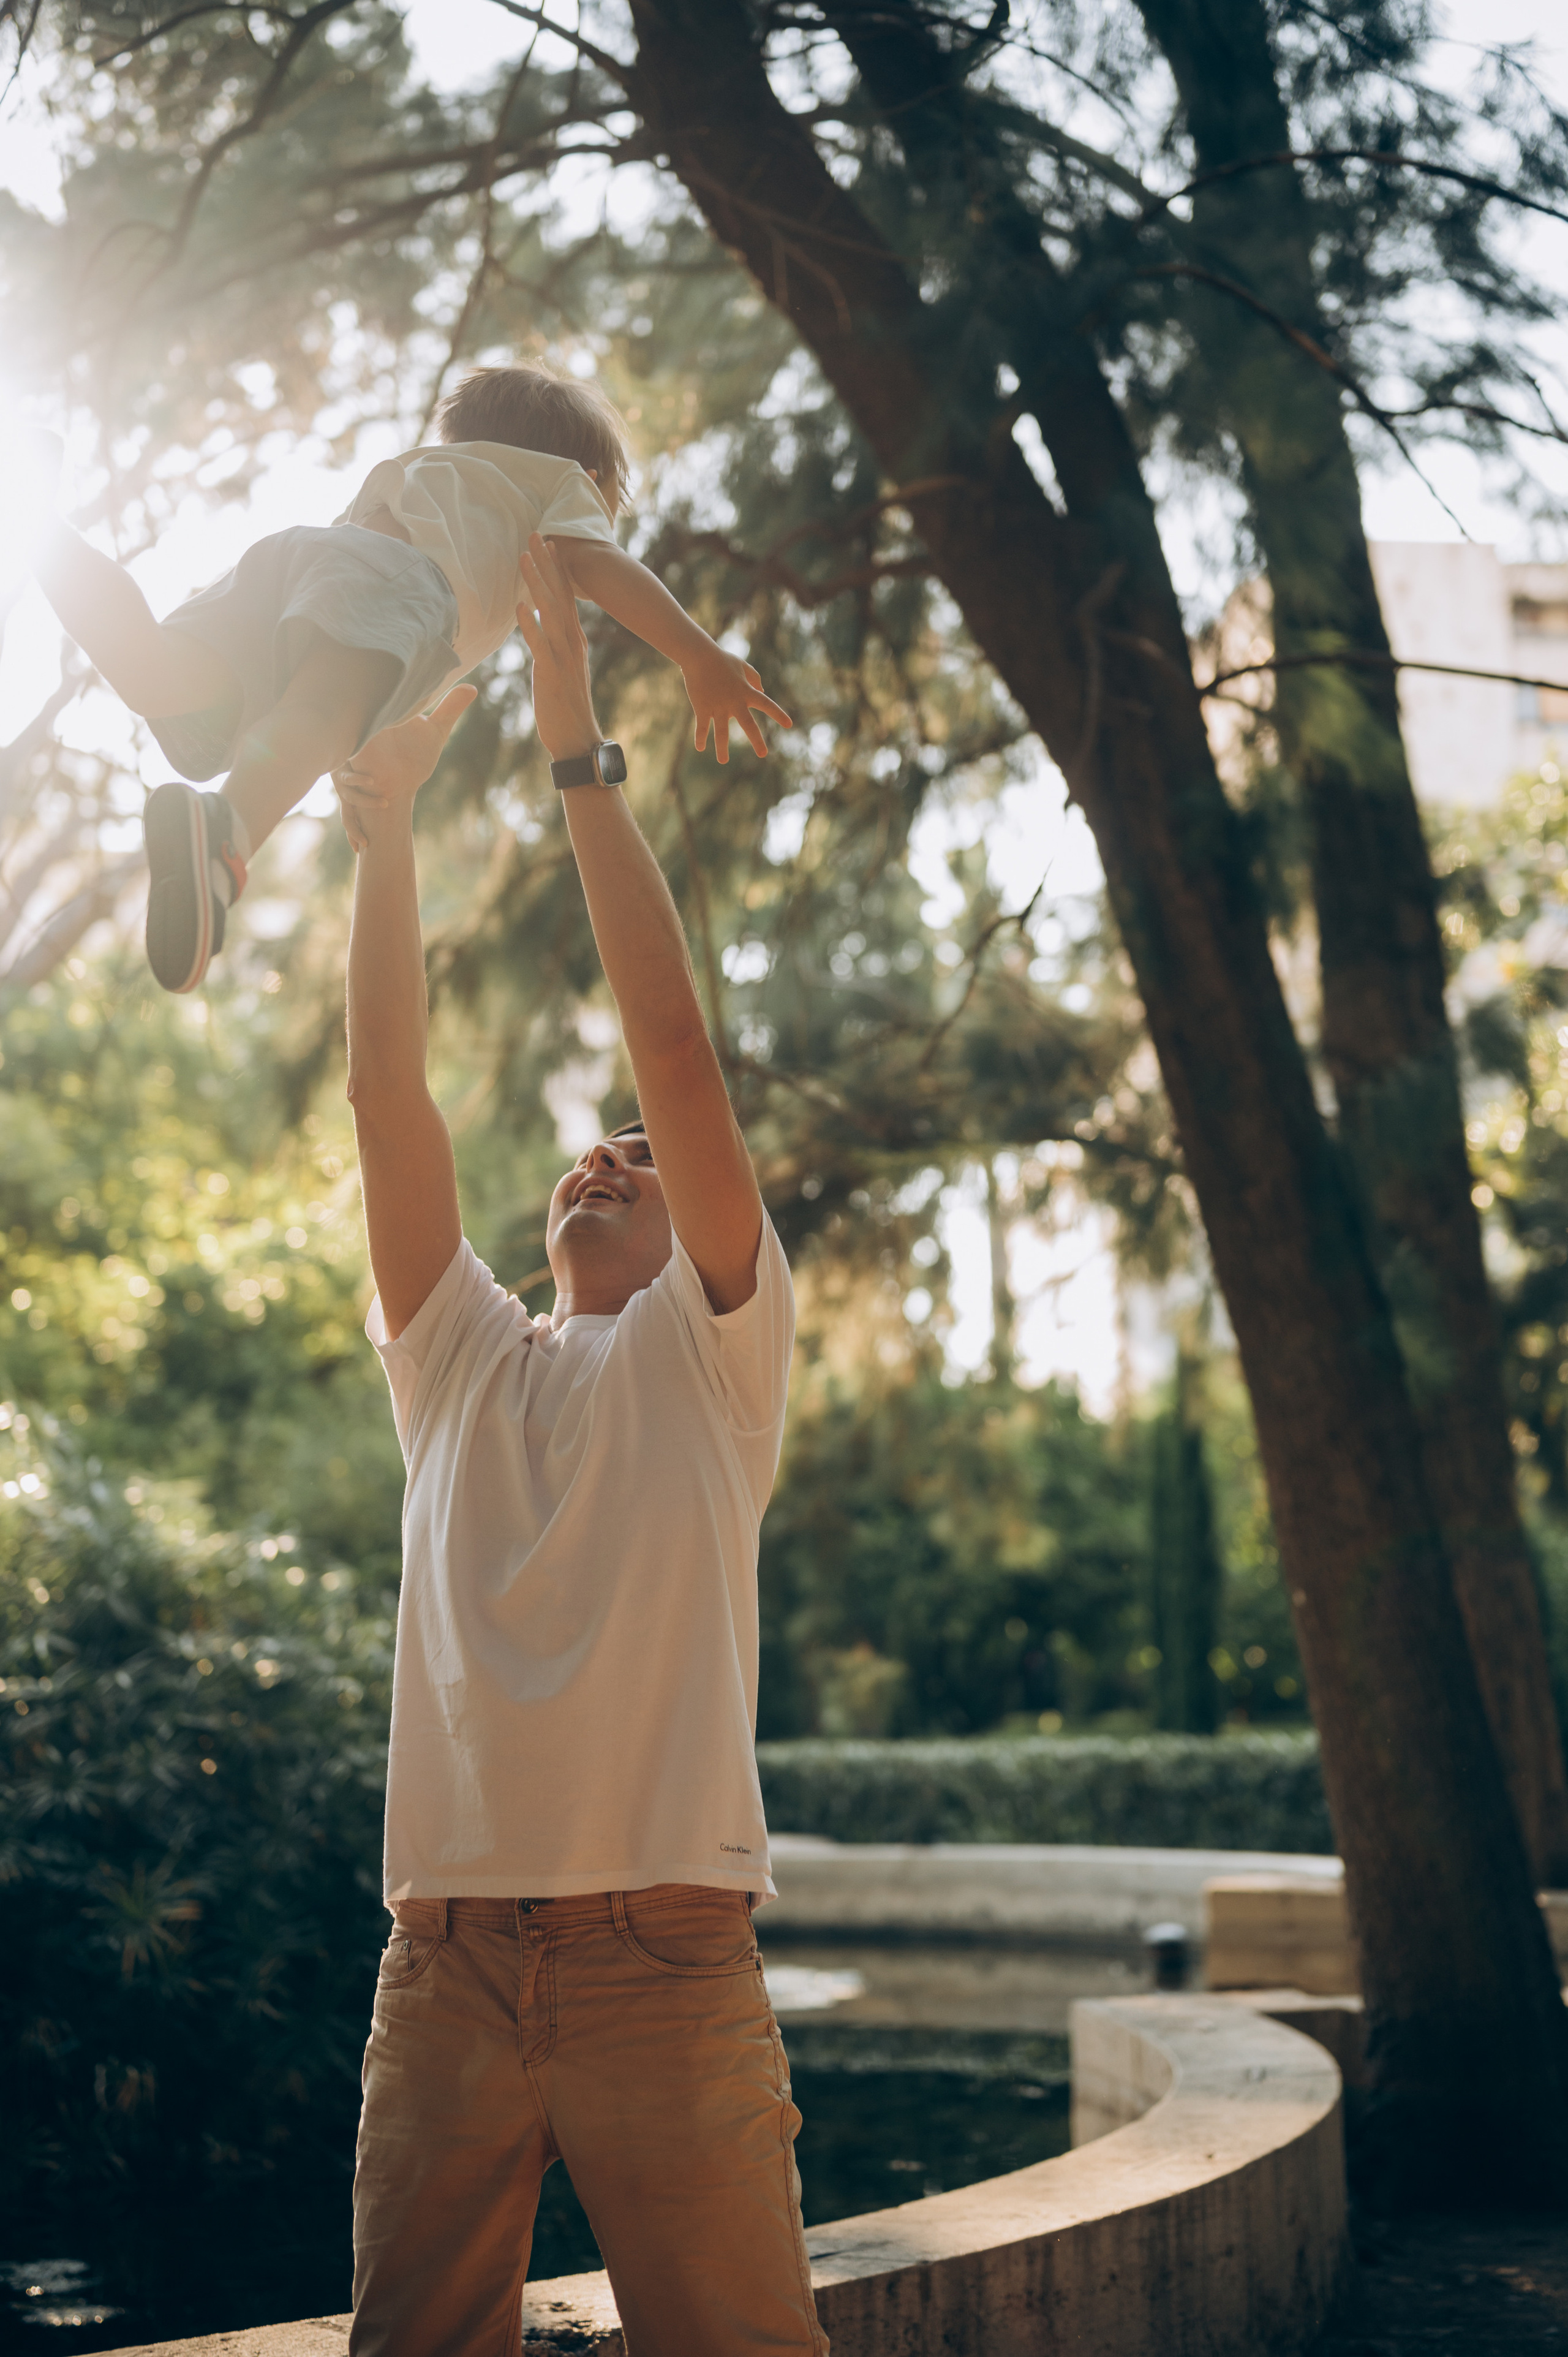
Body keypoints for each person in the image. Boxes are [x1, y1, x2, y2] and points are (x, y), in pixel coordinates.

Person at [338, 531, 826, 2357]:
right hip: (443, 1966)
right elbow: (392, 1099)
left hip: (665, 1960)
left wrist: (573, 746)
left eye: (636, 1152)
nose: (608, 1154)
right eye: (585, 1148)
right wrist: (381, 830)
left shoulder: (711, 1356)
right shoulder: (458, 1358)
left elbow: (680, 1051)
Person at [24, 364, 788, 993]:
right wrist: (698, 655)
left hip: (301, 554)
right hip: (404, 582)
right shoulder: (558, 483)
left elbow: (334, 636)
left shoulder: (435, 469)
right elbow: (596, 563)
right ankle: (227, 833)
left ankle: (36, 523)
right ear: (590, 476)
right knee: (323, 713)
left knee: (156, 670)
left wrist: (355, 763)